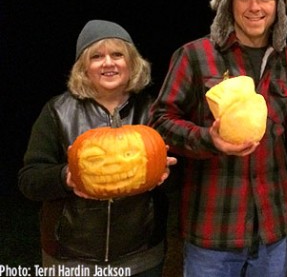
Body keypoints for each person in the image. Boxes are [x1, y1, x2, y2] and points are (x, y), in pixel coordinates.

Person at [148, 0, 287, 277]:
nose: (255, 7)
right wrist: (209, 139)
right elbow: (159, 122)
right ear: (229, 2)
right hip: (213, 229)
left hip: (271, 229)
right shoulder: (195, 56)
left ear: (279, 5)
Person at [19, 19, 176, 276]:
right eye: (96, 56)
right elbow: (29, 180)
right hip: (71, 258)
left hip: (141, 257)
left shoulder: (154, 112)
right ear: (84, 67)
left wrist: (167, 177)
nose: (108, 63)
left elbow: (175, 180)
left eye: (117, 54)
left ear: (132, 62)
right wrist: (65, 178)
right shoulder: (57, 112)